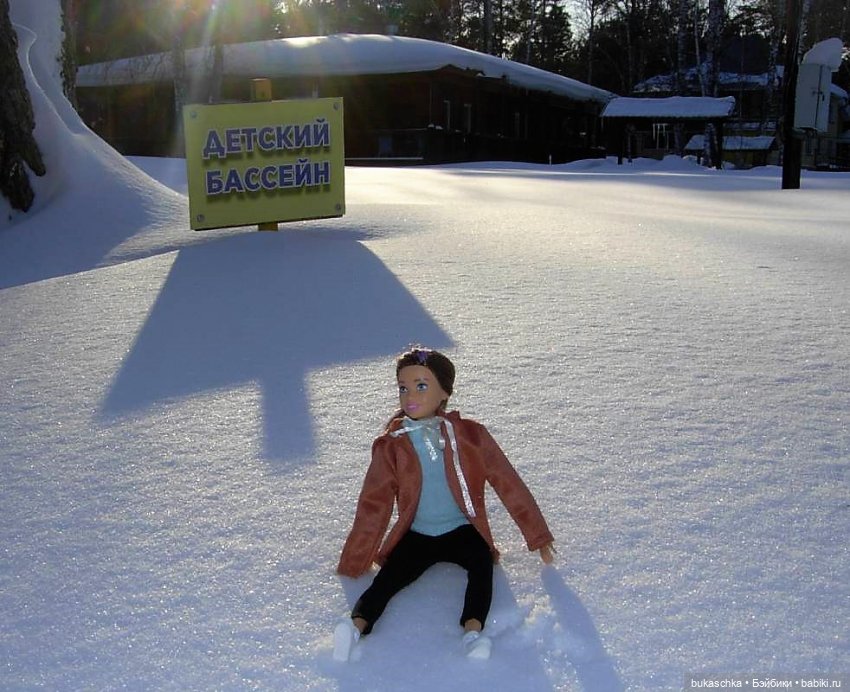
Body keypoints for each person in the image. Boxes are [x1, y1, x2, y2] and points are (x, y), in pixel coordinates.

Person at [333, 347, 555, 662]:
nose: (410, 395)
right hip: (418, 533)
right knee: (389, 579)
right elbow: (374, 502)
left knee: (481, 569)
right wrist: (356, 557)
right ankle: (355, 626)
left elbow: (508, 483)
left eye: (421, 385)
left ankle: (473, 632)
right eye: (403, 388)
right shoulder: (392, 445)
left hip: (462, 529)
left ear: (444, 392)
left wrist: (538, 537)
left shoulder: (471, 436)